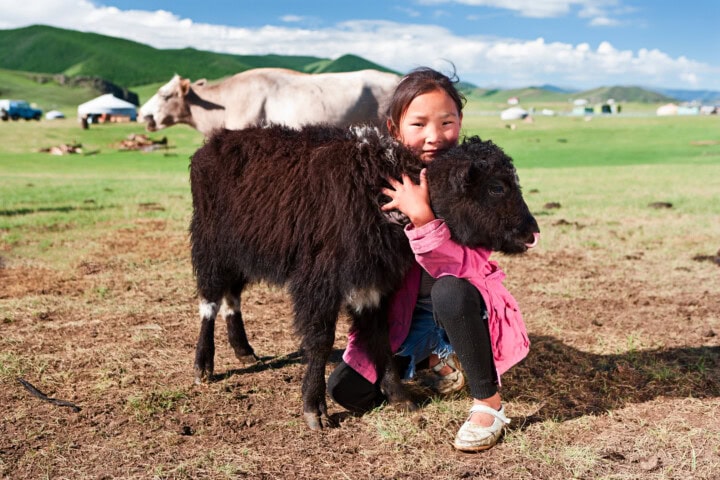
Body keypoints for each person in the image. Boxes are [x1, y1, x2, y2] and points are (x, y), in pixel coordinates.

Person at [327, 67, 530, 452]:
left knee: (451, 291)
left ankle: (488, 404)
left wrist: (423, 219)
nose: (434, 136)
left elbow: (470, 268)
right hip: (406, 317)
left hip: (465, 308)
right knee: (345, 391)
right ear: (393, 127)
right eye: (418, 123)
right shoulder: (378, 177)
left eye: (446, 122)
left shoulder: (475, 176)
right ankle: (431, 362)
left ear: (460, 122)